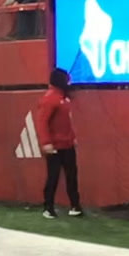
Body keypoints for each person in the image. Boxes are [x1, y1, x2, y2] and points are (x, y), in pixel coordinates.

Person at [36, 68, 81, 218]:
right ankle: (48, 207)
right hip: (55, 147)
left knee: (72, 176)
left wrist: (72, 137)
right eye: (67, 80)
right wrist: (46, 143)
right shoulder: (50, 99)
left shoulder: (64, 98)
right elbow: (42, 122)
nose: (69, 82)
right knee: (53, 177)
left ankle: (75, 206)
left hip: (67, 145)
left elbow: (68, 121)